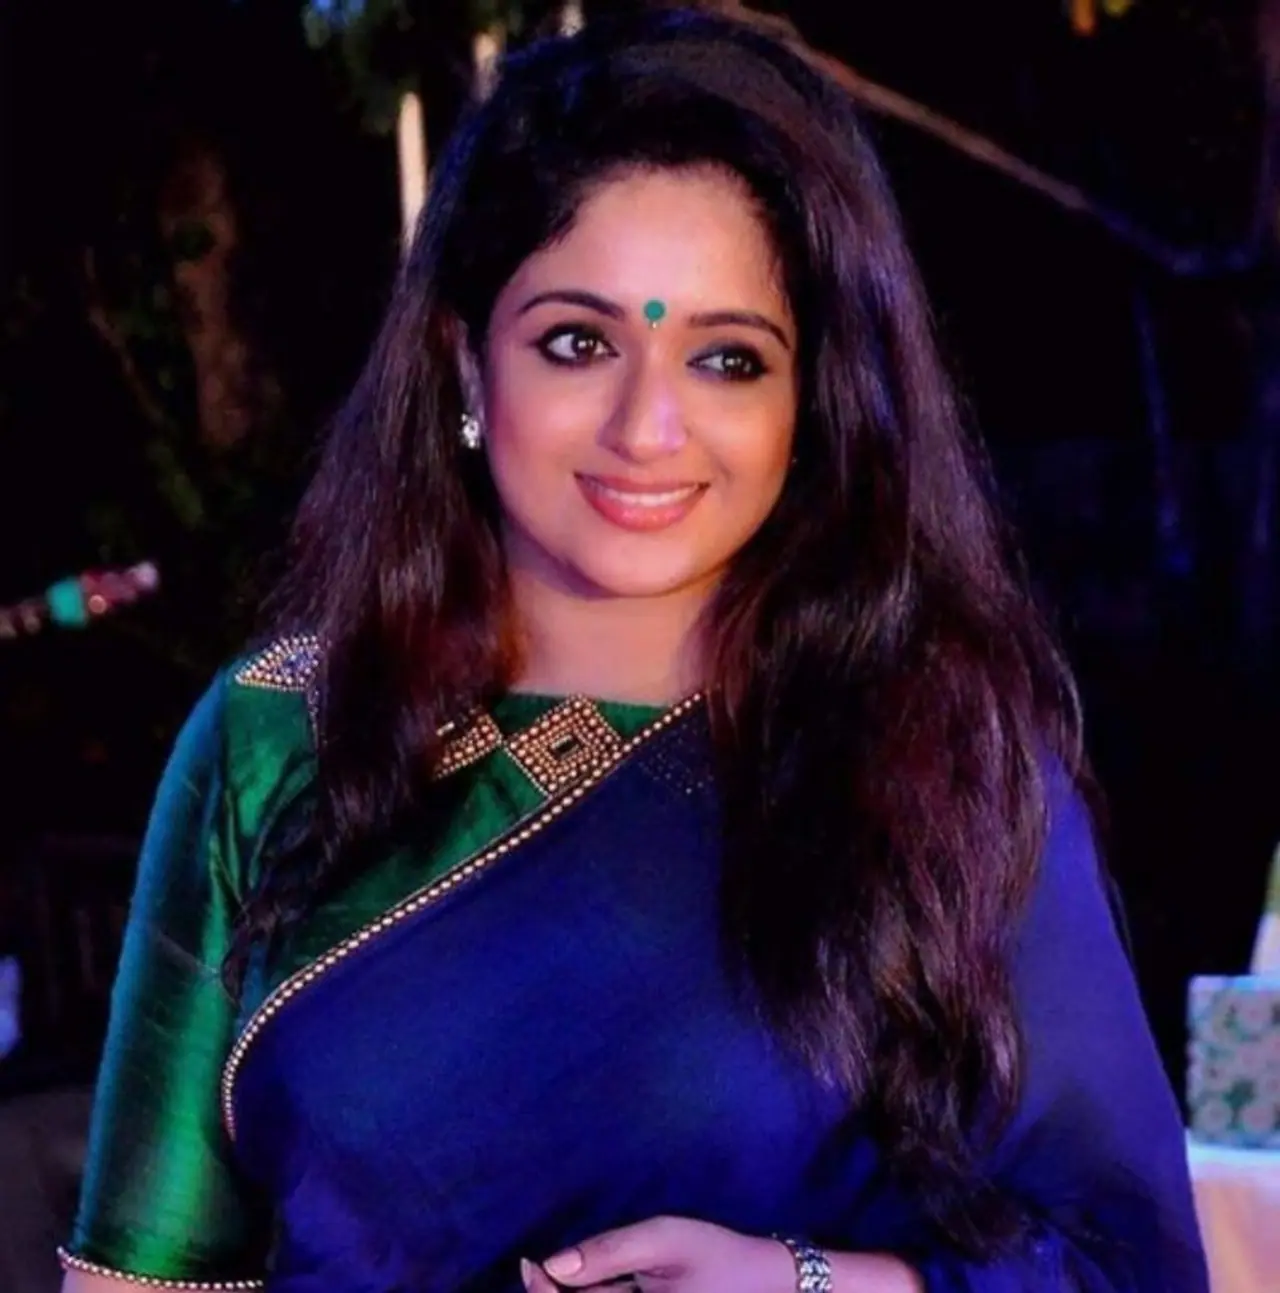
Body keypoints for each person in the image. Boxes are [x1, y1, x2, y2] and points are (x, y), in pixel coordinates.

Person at [60, 9, 1208, 1292]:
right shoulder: (277, 738)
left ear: (811, 400)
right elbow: (137, 1278)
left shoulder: (937, 760)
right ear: (463, 365)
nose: (648, 426)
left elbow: (1125, 1265)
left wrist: (806, 1284)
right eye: (578, 342)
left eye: (726, 359)